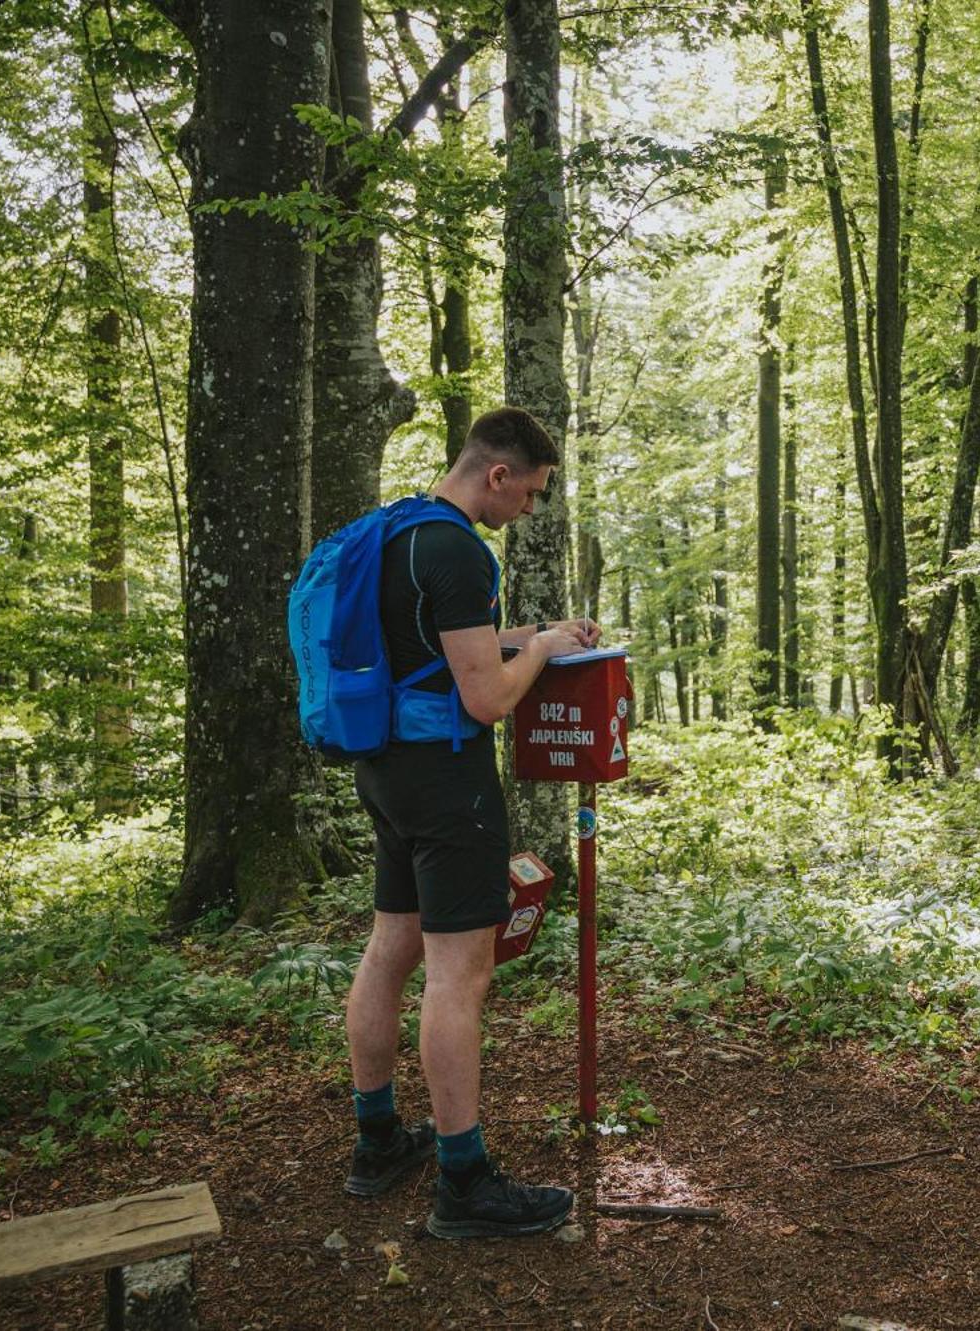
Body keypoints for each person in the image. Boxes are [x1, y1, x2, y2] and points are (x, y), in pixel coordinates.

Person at [341, 406, 599, 1239]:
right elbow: (485, 694)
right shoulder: (459, 548)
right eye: (528, 493)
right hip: (447, 781)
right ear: (497, 474)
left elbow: (441, 646)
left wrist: (537, 634)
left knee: (391, 949)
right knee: (460, 975)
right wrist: (544, 658)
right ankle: (464, 1181)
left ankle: (377, 1140)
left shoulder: (395, 532)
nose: (527, 509)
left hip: (384, 769)